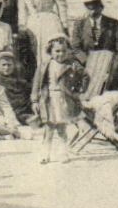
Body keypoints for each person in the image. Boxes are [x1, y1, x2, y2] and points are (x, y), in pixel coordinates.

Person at [71, 0, 118, 153]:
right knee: (84, 102)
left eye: (95, 7)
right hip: (87, 75)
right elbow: (75, 48)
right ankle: (92, 128)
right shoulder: (79, 24)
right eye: (88, 8)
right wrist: (90, 65)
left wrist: (110, 70)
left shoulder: (113, 24)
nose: (92, 11)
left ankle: (106, 130)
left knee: (107, 103)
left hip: (110, 75)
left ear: (100, 7)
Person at [31, 35, 84, 163]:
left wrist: (78, 91)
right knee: (49, 129)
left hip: (63, 100)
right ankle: (45, 153)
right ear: (50, 51)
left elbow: (85, 77)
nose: (61, 54)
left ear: (69, 51)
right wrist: (34, 100)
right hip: (48, 99)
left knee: (61, 128)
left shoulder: (72, 65)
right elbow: (37, 84)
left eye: (64, 51)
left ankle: (63, 153)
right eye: (57, 51)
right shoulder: (45, 65)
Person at [23, 0, 69, 72]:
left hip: (50, 22)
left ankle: (51, 76)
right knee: (34, 50)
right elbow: (22, 8)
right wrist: (22, 24)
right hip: (33, 22)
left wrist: (64, 24)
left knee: (49, 50)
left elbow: (61, 5)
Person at [0, 49, 35, 127]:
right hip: (3, 115)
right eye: (3, 65)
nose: (6, 68)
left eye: (9, 64)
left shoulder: (20, 82)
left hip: (21, 114)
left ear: (14, 65)